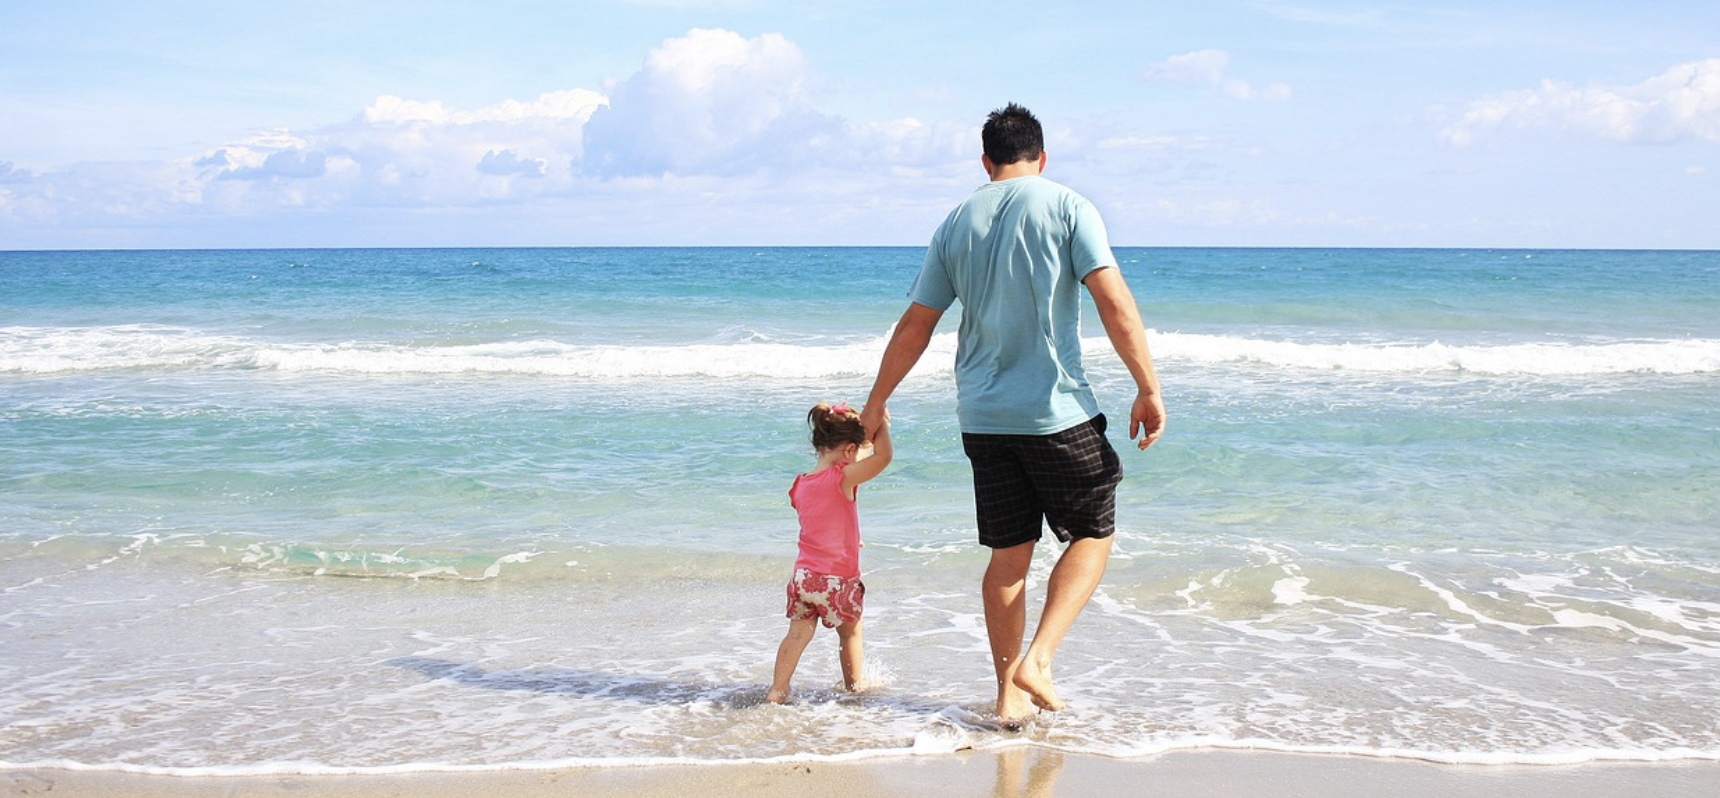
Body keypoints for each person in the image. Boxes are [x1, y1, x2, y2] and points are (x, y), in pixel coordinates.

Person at [860, 103, 1165, 722]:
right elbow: (1113, 301)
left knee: (1008, 557)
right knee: (1094, 531)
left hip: (983, 416)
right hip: (1053, 411)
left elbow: (918, 323)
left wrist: (877, 398)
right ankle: (1040, 660)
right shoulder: (1067, 205)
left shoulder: (955, 222)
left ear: (986, 161)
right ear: (1042, 157)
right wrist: (1147, 386)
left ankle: (1006, 699)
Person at [766, 401, 893, 704]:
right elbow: (883, 456)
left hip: (804, 578)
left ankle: (777, 691)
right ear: (848, 451)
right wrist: (882, 425)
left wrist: (851, 538)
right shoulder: (843, 478)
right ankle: (854, 689)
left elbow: (823, 520)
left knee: (797, 635)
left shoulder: (800, 485)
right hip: (838, 579)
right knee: (849, 634)